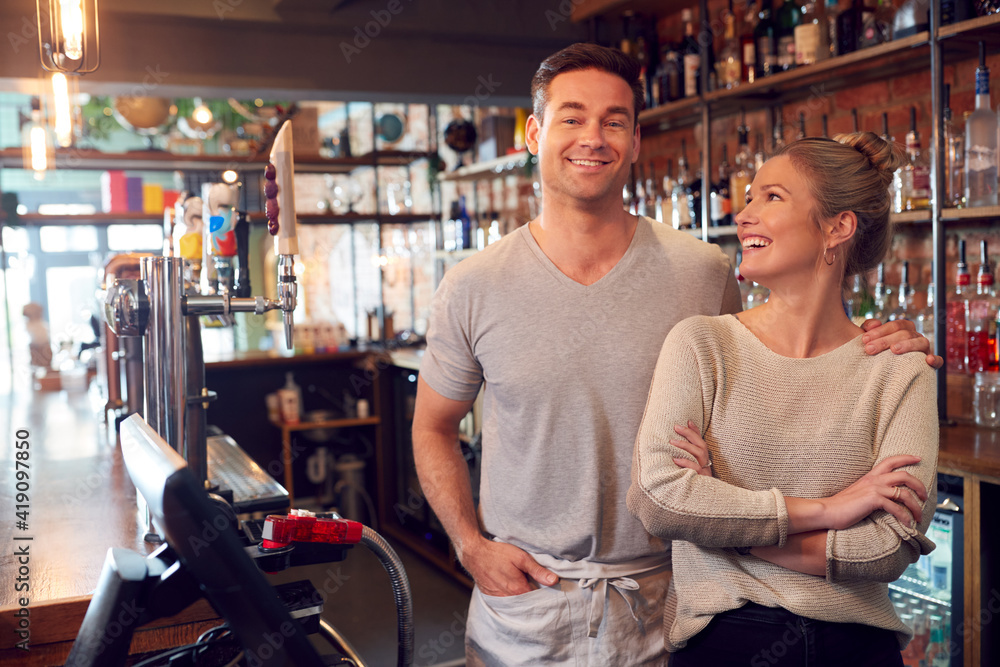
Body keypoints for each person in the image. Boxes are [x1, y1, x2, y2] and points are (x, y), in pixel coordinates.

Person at [412, 43, 937, 666]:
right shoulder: (473, 285)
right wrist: (470, 544)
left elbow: (784, 346)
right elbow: (433, 427)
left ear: (636, 141)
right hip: (526, 607)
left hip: (673, 605)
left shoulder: (704, 272)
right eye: (572, 117)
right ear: (534, 132)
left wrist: (886, 345)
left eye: (614, 122)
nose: (594, 138)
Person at [627, 133, 938, 667]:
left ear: (837, 228)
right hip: (723, 642)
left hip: (856, 650)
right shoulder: (702, 344)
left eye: (771, 197)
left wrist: (729, 529)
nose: (744, 215)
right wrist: (831, 510)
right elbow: (659, 499)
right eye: (748, 197)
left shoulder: (899, 366)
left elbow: (890, 545)